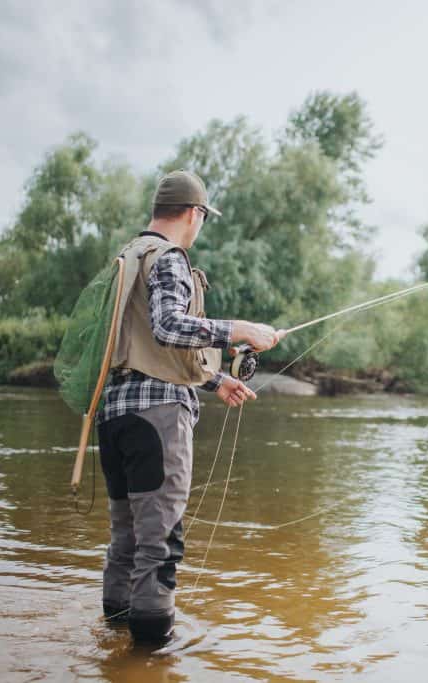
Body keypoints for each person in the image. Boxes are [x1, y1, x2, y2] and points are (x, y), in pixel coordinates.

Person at [96, 170, 281, 642]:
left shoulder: (128, 257)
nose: (201, 225)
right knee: (159, 541)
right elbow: (168, 327)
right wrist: (238, 329)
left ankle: (113, 644)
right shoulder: (170, 257)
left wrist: (216, 378)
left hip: (114, 417)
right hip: (156, 421)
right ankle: (151, 656)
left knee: (126, 539)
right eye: (203, 216)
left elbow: (141, 346)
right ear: (194, 213)